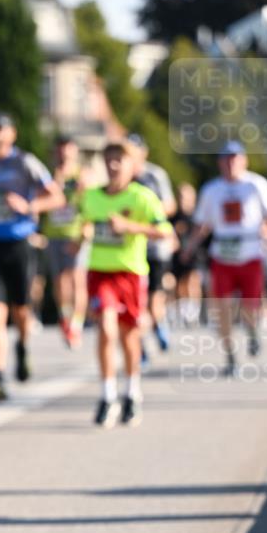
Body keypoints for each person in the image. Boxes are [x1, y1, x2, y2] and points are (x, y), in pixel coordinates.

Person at [0, 112, 65, 401]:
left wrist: (28, 205)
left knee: (21, 310)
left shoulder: (25, 162)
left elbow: (56, 197)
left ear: (12, 134)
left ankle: (22, 346)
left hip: (19, 245)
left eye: (0, 131)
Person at [79, 140, 174, 428]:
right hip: (100, 272)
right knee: (106, 330)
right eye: (109, 160)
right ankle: (107, 396)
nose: (113, 166)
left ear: (132, 166)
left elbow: (164, 231)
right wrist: (81, 234)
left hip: (131, 273)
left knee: (129, 336)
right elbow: (83, 223)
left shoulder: (141, 197)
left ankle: (132, 392)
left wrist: (130, 227)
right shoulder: (91, 197)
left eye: (119, 160)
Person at [182, 141, 267, 377]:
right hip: (221, 255)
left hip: (251, 253)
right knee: (223, 309)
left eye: (235, 159)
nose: (230, 164)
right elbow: (202, 224)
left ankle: (251, 331)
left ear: (243, 161)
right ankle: (230, 356)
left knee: (250, 306)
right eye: (226, 160)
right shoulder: (211, 189)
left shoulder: (256, 184)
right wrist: (189, 247)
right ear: (220, 163)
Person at [128, 134, 176, 353]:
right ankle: (141, 349)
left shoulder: (154, 175)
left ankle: (159, 324)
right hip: (130, 249)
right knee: (136, 303)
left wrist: (145, 216)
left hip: (155, 247)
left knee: (154, 302)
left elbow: (169, 206)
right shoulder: (121, 177)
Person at [41, 134, 91, 348]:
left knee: (77, 279)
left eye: (68, 149)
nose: (63, 154)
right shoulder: (49, 176)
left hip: (76, 232)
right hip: (53, 234)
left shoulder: (84, 176)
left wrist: (86, 230)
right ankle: (64, 316)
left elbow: (92, 203)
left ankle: (76, 325)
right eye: (60, 149)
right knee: (59, 281)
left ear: (75, 152)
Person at [170, 182, 204, 328]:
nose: (183, 200)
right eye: (181, 197)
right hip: (177, 256)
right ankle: (185, 312)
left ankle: (194, 312)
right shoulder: (174, 217)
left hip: (194, 255)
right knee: (180, 284)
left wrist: (190, 249)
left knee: (192, 281)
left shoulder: (197, 216)